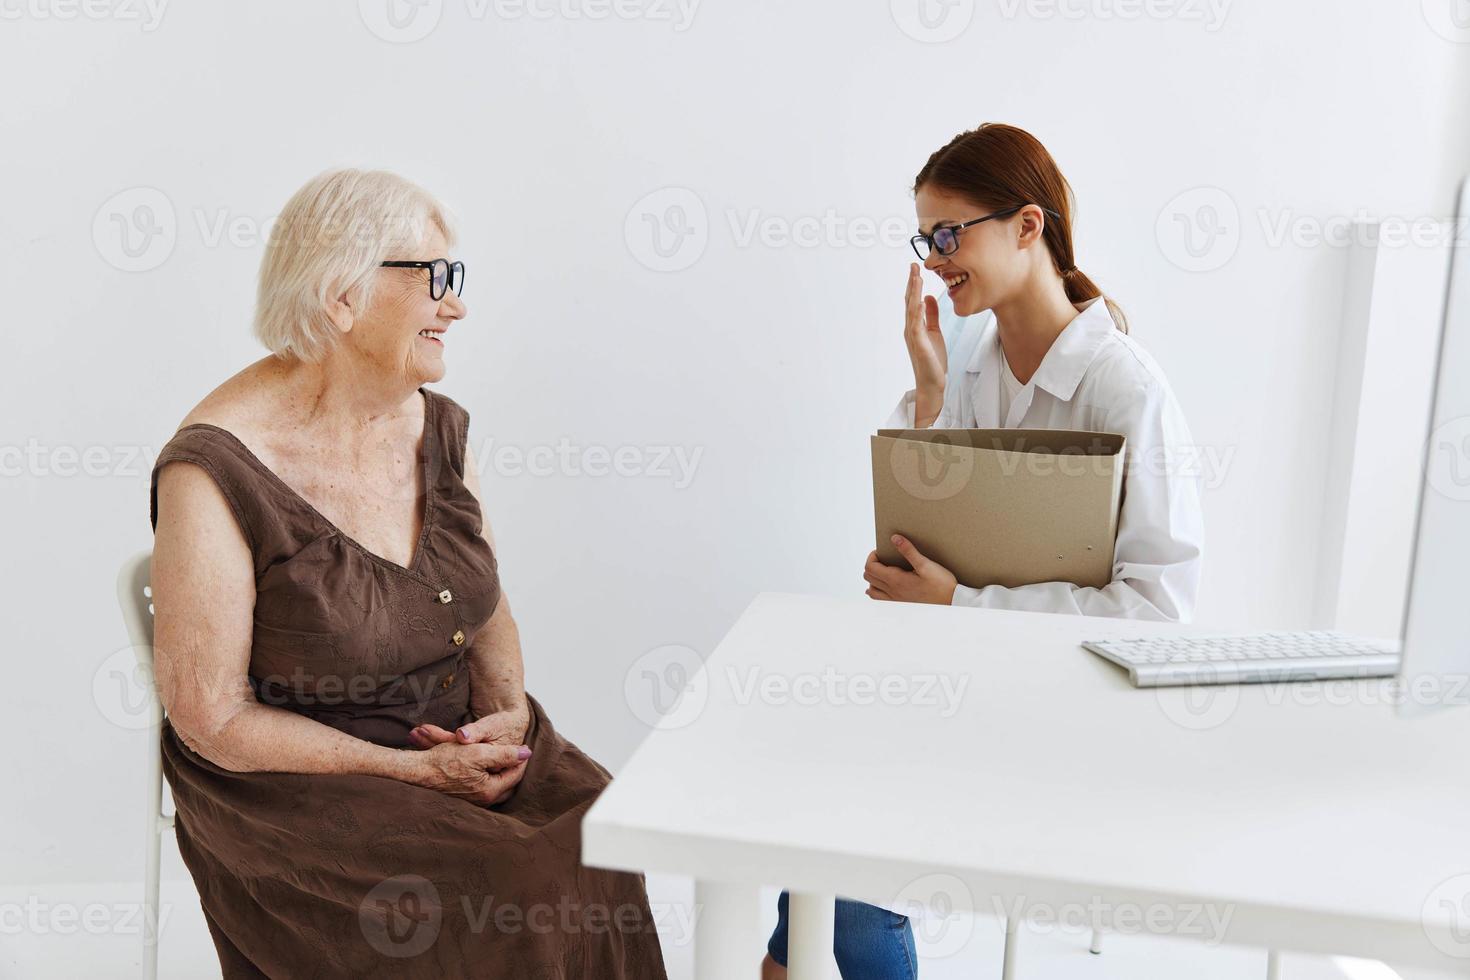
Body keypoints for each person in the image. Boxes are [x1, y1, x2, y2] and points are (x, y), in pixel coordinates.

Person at [148, 168, 668, 978]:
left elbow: (486, 603)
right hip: (292, 776)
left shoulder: (436, 427)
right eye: (433, 278)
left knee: (601, 824)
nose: (455, 306)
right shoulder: (214, 467)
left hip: (451, 736)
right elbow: (209, 715)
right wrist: (408, 771)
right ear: (341, 295)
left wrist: (503, 720)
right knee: (512, 881)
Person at [763, 123, 1204, 978]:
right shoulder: (970, 356)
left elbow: (1159, 614)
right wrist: (929, 384)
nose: (932, 257)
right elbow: (938, 524)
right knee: (807, 816)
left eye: (947, 234)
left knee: (845, 877)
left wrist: (960, 605)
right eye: (923, 238)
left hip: (1058, 706)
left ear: (1028, 227)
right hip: (955, 677)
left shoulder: (1127, 389)